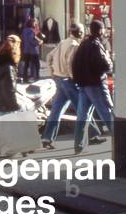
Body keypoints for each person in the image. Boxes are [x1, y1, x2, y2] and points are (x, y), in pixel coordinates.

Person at [41, 22, 106, 149]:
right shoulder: (75, 45)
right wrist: (75, 78)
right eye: (82, 31)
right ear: (80, 32)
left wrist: (52, 73)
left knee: (57, 110)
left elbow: (49, 56)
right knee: (82, 109)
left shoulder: (63, 42)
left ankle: (47, 138)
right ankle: (93, 135)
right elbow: (71, 64)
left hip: (59, 79)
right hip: (68, 80)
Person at [72, 19, 114, 154]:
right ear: (100, 30)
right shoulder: (96, 45)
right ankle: (121, 143)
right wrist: (109, 62)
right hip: (96, 84)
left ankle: (79, 145)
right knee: (107, 113)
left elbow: (74, 64)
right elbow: (105, 65)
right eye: (103, 29)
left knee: (82, 116)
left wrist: (79, 81)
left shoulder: (83, 44)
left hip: (84, 85)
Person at [20, 18, 42, 82]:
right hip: (33, 51)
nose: (35, 24)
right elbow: (31, 41)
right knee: (37, 64)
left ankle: (25, 78)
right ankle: (36, 77)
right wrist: (39, 42)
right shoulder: (31, 31)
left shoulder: (24, 30)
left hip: (26, 50)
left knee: (26, 65)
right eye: (35, 22)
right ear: (32, 23)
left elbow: (24, 39)